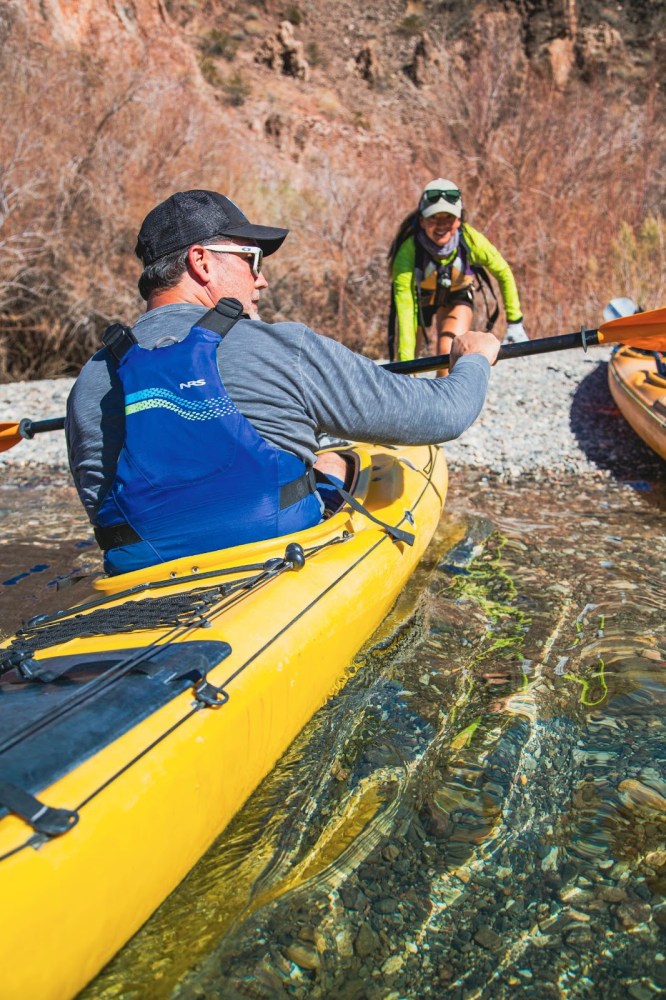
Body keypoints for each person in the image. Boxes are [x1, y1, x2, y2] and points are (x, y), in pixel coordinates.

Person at [66, 189, 500, 576]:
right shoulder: (281, 346)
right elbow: (443, 415)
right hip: (275, 565)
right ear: (201, 262)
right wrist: (474, 358)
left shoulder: (89, 383)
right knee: (339, 464)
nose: (262, 278)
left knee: (319, 462)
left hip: (144, 584)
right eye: (251, 260)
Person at [388, 178, 527, 364]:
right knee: (408, 357)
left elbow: (503, 271)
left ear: (459, 219)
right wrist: (405, 366)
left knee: (449, 353)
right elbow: (405, 313)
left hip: (457, 297)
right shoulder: (407, 253)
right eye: (434, 218)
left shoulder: (471, 240)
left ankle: (444, 392)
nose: (442, 224)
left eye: (449, 217)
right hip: (419, 301)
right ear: (421, 221)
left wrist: (515, 322)